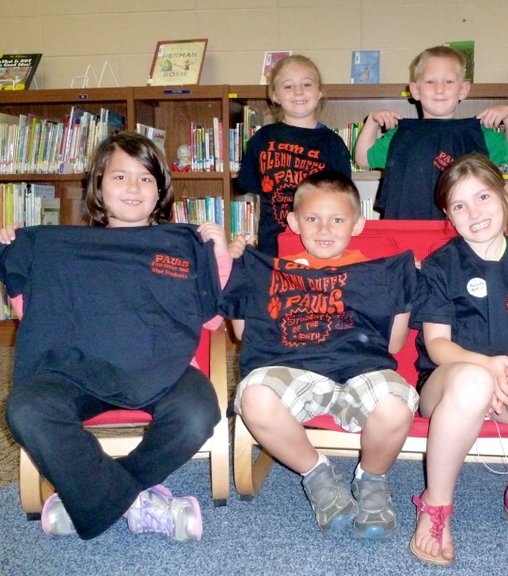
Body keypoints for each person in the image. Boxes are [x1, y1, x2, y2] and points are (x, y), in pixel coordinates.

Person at [2, 131, 232, 541]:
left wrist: (217, 257)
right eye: (120, 176)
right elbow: (36, 314)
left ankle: (88, 494)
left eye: (146, 178)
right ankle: (136, 502)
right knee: (27, 409)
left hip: (162, 370)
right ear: (98, 185)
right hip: (75, 371)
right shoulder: (61, 248)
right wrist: (15, 255)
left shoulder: (179, 246)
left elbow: (212, 322)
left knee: (199, 412)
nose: (133, 187)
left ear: (160, 190)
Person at [221, 171, 418, 539]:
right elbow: (245, 334)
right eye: (312, 218)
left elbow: (392, 347)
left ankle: (371, 479)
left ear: (357, 224)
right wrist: (239, 278)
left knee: (395, 404)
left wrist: (401, 295)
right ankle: (317, 474)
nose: (324, 228)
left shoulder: (377, 274)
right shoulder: (273, 272)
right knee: (254, 398)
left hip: (362, 371)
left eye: (337, 219)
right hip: (294, 372)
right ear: (294, 222)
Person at [409, 154, 508, 566]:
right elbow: (437, 345)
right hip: (446, 387)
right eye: (459, 206)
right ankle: (436, 504)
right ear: (448, 213)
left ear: (504, 193)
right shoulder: (439, 265)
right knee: (471, 381)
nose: (474, 212)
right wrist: (487, 368)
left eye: (483, 197)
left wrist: (506, 372)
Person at [354, 45, 508, 220]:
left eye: (449, 82)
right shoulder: (401, 135)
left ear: (463, 89)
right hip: (412, 234)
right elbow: (362, 158)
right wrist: (372, 121)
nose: (439, 89)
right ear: (415, 90)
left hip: (464, 236)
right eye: (430, 82)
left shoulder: (478, 135)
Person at [235, 54, 352, 257]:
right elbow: (251, 190)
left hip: (319, 248)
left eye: (307, 84)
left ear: (319, 91)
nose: (298, 91)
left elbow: (343, 200)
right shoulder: (262, 140)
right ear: (274, 95)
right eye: (288, 86)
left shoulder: (333, 144)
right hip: (272, 248)